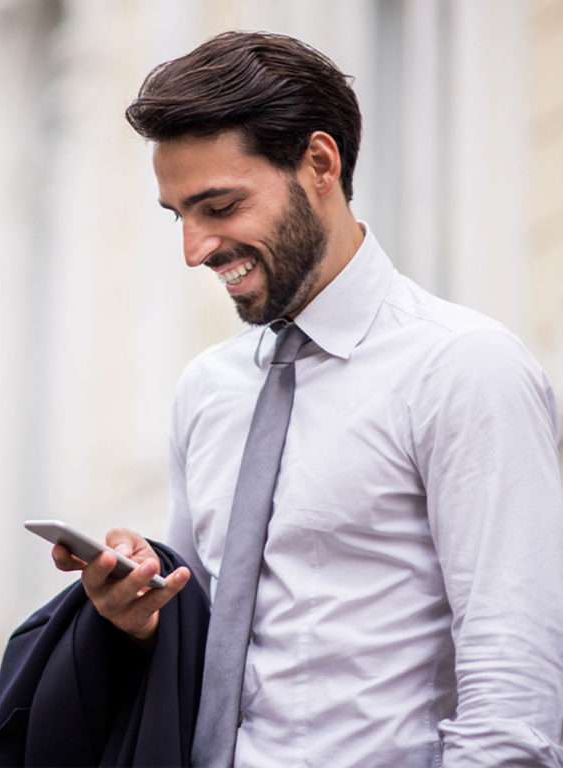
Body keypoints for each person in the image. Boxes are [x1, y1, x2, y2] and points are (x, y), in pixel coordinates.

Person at [53, 31, 563, 767]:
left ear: (320, 163)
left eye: (219, 205)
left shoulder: (464, 370)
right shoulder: (209, 389)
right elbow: (200, 636)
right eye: (178, 216)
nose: (195, 249)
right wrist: (136, 612)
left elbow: (512, 698)